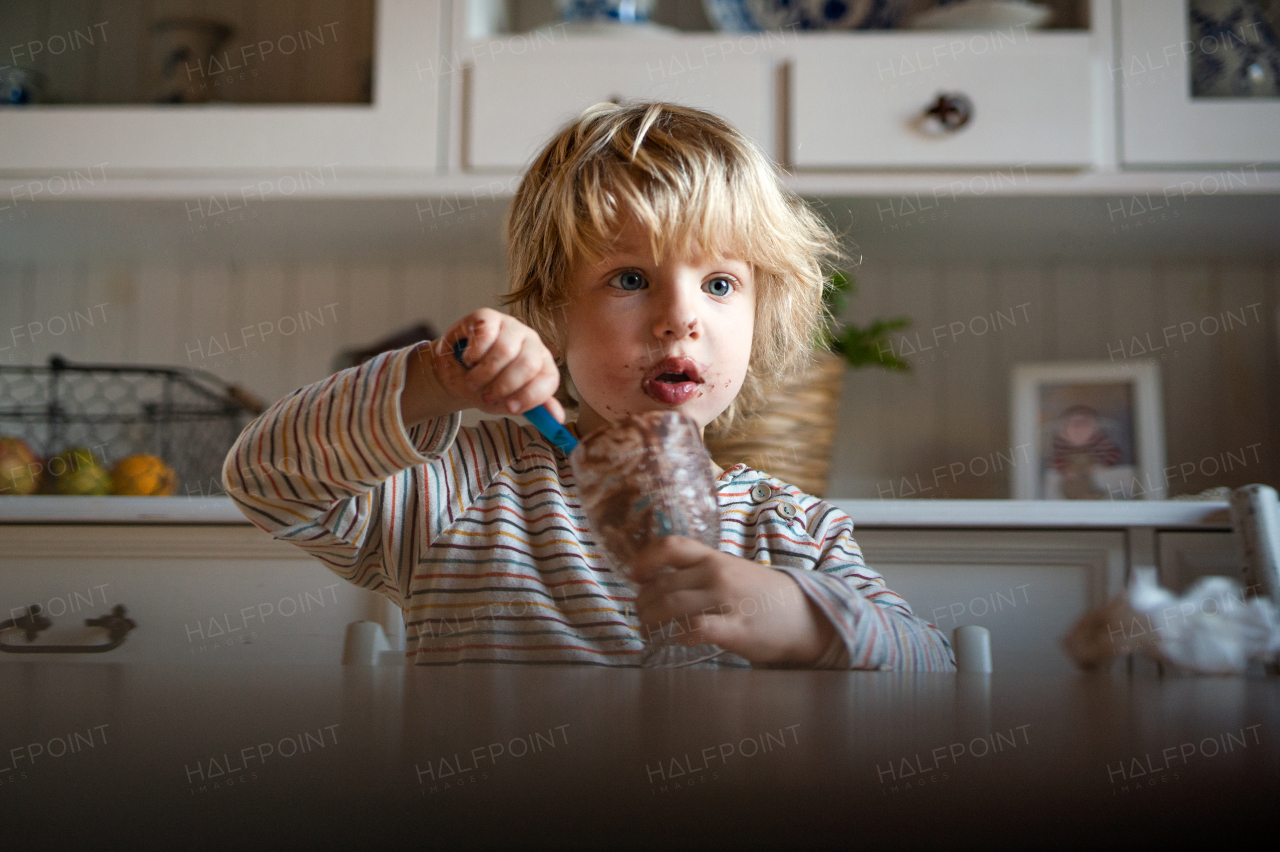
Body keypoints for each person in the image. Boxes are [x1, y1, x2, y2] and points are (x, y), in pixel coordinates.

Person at [222, 101, 955, 671]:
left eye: (721, 282)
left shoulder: (794, 531)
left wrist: (807, 622)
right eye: (630, 279)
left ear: (764, 317)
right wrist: (435, 381)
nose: (679, 320)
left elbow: (932, 670)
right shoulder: (466, 493)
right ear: (553, 315)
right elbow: (268, 479)